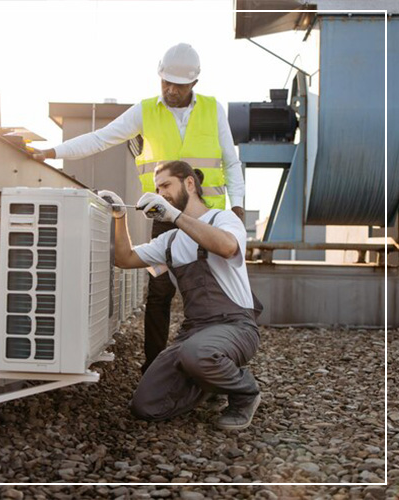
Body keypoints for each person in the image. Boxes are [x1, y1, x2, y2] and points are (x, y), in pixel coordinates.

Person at [33, 43, 246, 373]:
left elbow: (232, 163)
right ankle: (154, 367)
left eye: (178, 84)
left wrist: (238, 209)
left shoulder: (212, 109)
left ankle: (220, 363)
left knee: (212, 292)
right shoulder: (145, 110)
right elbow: (101, 138)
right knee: (159, 291)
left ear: (194, 84)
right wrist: (52, 152)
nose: (170, 90)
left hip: (208, 219)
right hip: (163, 219)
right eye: (165, 82)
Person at [98, 160, 262, 430]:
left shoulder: (222, 218)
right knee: (145, 406)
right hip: (194, 332)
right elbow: (125, 258)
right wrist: (119, 217)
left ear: (189, 184)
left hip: (235, 326)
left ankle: (245, 393)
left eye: (165, 185)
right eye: (157, 188)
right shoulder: (170, 240)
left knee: (197, 353)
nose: (160, 193)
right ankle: (210, 382)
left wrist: (174, 215)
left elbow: (227, 247)